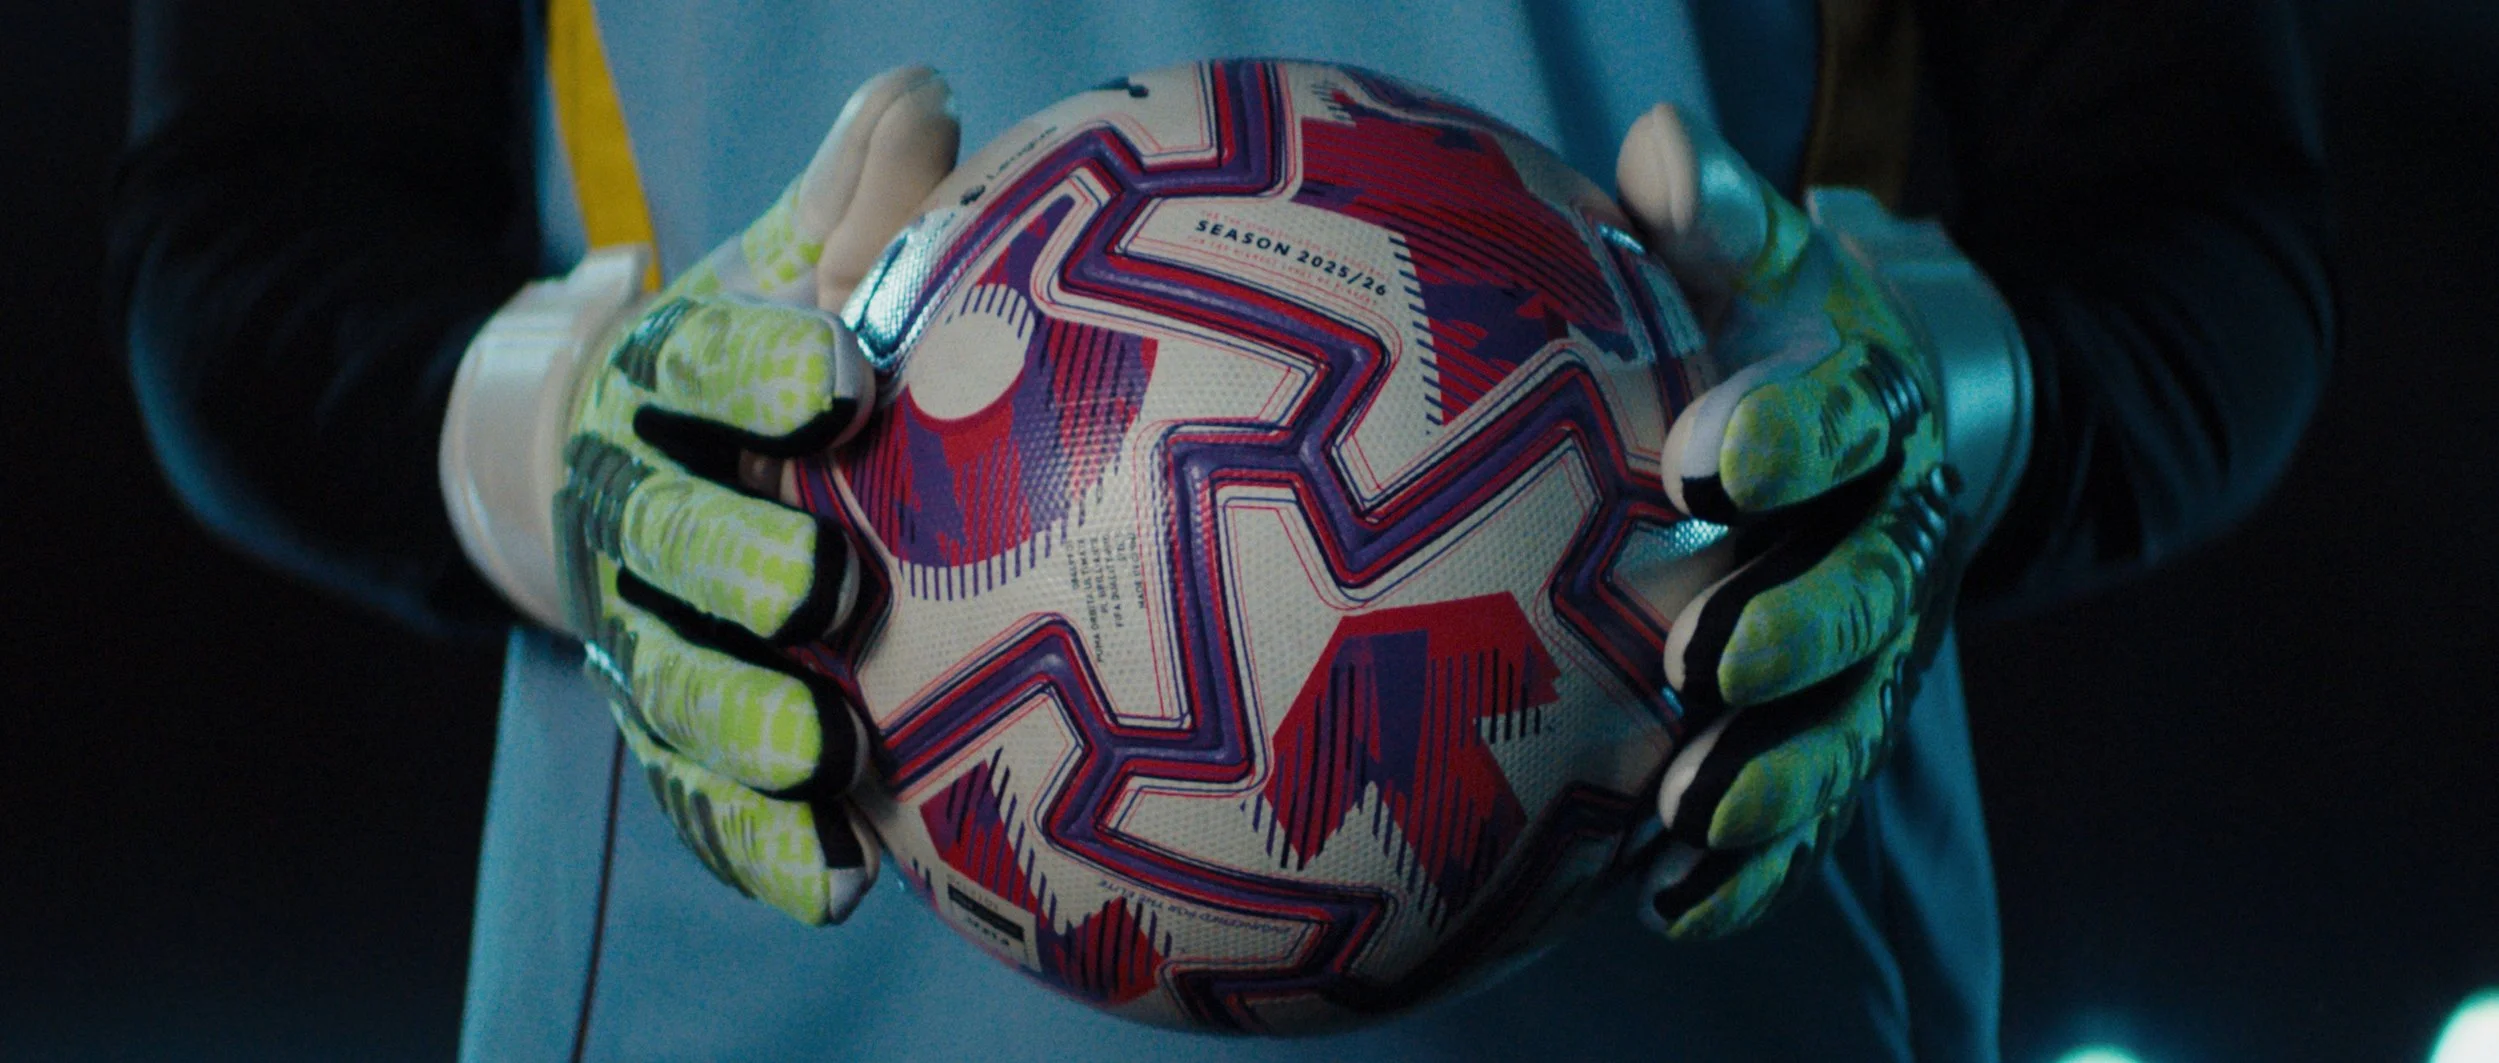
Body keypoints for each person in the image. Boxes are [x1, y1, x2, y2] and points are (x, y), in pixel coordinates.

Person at [110, 1, 2332, 1059]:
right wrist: (553, 451)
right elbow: (251, 222)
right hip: (758, 998)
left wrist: (1937, 406)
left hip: (1714, 977)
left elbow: (2198, 218)